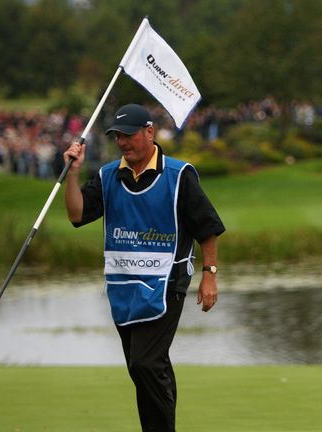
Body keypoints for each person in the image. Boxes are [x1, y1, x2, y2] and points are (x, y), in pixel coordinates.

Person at [63, 103, 225, 432]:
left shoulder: (179, 175)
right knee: (142, 368)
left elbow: (207, 228)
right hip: (124, 287)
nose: (123, 142)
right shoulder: (108, 175)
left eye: (129, 135)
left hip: (167, 282)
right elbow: (77, 214)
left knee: (146, 362)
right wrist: (73, 173)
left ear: (149, 132)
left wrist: (209, 276)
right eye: (117, 136)